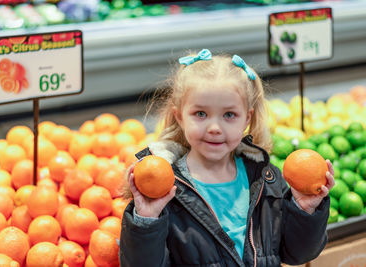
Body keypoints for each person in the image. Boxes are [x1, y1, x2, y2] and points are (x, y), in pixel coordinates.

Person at [119, 49, 335, 267]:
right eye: (200, 114)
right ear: (180, 117)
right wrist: (146, 221)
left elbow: (298, 254)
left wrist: (306, 210)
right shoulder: (164, 189)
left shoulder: (265, 180)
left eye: (229, 115)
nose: (214, 128)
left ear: (246, 119)